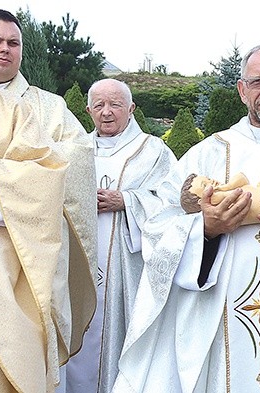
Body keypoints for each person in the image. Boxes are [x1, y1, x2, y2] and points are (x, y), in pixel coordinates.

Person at [113, 42, 260, 392]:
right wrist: (204, 229)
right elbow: (157, 226)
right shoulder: (206, 154)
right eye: (257, 81)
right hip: (215, 318)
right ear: (241, 90)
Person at [0, 13, 95, 393]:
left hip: (16, 259)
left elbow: (67, 167)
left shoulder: (43, 107)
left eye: (13, 43)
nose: (2, 49)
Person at [62, 78, 177, 392]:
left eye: (115, 104)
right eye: (99, 105)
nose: (107, 112)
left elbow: (175, 205)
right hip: (77, 270)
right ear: (88, 110)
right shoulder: (73, 150)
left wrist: (126, 201)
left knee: (122, 344)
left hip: (128, 273)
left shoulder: (154, 152)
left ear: (131, 108)